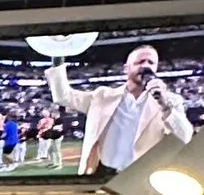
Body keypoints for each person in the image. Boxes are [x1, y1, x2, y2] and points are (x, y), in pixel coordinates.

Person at [49, 43, 193, 175]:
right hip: (100, 172)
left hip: (140, 176)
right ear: (126, 69)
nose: (146, 66)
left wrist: (164, 105)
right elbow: (64, 96)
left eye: (151, 62)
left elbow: (184, 137)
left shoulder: (170, 101)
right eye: (140, 62)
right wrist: (57, 54)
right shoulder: (102, 96)